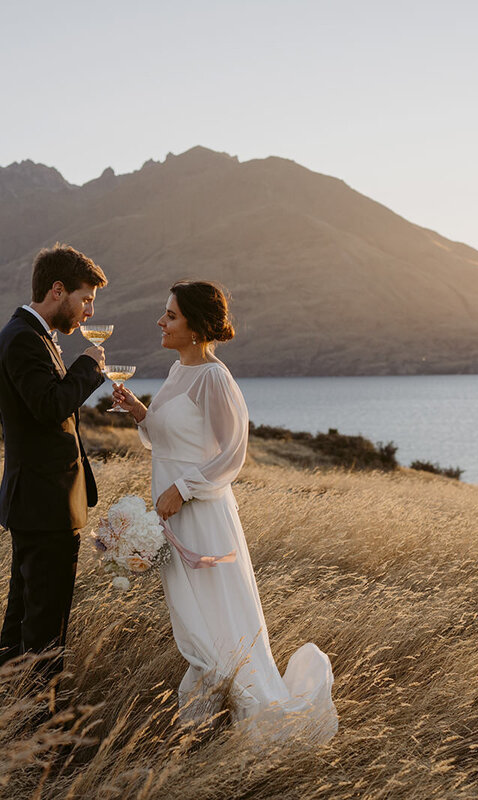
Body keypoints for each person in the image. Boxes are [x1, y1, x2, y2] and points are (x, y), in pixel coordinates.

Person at [111, 280, 338, 744]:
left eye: (170, 315)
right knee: (192, 618)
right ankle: (203, 727)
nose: (161, 321)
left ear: (195, 327)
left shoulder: (215, 377)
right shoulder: (177, 372)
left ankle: (206, 729)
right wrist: (141, 414)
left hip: (203, 517)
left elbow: (232, 455)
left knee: (212, 621)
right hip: (172, 516)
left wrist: (183, 488)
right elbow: (170, 439)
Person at [0, 243, 107, 697]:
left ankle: (6, 716)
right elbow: (48, 408)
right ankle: (38, 739)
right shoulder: (23, 338)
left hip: (42, 503)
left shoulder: (35, 336)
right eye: (86, 299)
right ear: (58, 291)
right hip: (43, 506)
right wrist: (88, 369)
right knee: (45, 631)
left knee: (25, 621)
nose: (89, 311)